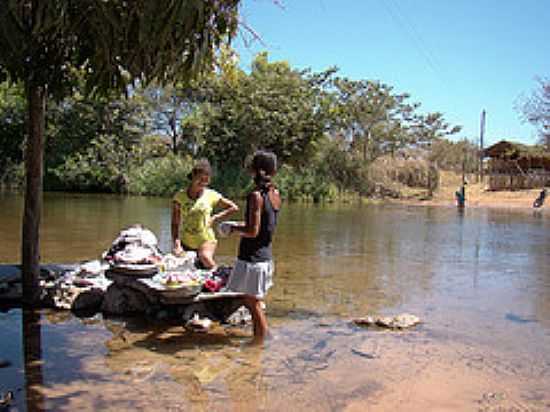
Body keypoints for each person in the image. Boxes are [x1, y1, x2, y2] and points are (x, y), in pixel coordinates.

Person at [225, 150, 281, 344]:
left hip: (252, 257)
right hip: (265, 256)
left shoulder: (255, 196)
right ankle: (261, 339)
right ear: (272, 172)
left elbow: (252, 231)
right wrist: (237, 225)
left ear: (254, 171)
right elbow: (266, 226)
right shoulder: (275, 194)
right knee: (252, 300)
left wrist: (232, 229)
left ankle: (261, 340)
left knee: (252, 302)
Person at [171, 159, 238, 269]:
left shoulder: (211, 195)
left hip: (206, 240)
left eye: (206, 181)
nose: (203, 183)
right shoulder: (179, 197)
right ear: (193, 176)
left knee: (205, 257)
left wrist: (215, 217)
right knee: (177, 266)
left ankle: (219, 276)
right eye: (200, 179)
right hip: (186, 242)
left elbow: (233, 207)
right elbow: (175, 223)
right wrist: (177, 244)